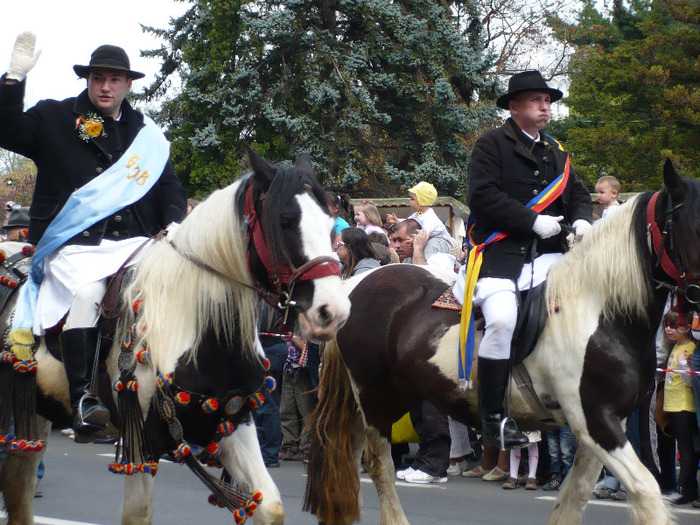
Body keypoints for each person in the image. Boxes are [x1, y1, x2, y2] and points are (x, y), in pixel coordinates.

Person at [0, 34, 187, 443]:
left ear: (128, 85)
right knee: (88, 294)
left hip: (132, 243)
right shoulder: (55, 117)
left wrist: (174, 222)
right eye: (98, 78)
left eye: (115, 79)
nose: (105, 86)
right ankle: (84, 398)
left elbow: (169, 187)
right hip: (71, 243)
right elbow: (7, 128)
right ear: (87, 80)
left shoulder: (146, 136)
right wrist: (13, 79)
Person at [454, 70, 593, 449]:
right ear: (514, 107)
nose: (545, 106)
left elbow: (577, 193)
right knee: (501, 320)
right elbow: (482, 197)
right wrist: (531, 220)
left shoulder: (557, 152)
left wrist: (582, 219)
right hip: (500, 255)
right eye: (536, 100)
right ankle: (494, 419)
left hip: (550, 258)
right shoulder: (490, 145)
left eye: (548, 101)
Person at [661, 310, 698, 505]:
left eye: (675, 325)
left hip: (684, 405)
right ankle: (688, 487)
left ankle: (685, 488)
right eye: (667, 324)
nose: (669, 329)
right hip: (673, 405)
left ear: (688, 327)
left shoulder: (690, 348)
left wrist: (684, 366)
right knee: (681, 447)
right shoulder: (674, 346)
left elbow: (691, 382)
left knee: (685, 449)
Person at [386, 181, 453, 254]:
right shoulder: (417, 215)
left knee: (429, 248)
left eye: (412, 199)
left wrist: (414, 240)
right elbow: (408, 222)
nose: (410, 201)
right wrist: (397, 220)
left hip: (441, 239)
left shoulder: (429, 216)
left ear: (422, 201)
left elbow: (425, 233)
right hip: (428, 238)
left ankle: (426, 264)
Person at [391, 219, 455, 272]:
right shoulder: (407, 260)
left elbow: (421, 278)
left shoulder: (439, 259)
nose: (396, 245)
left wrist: (418, 247)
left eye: (400, 240)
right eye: (395, 240)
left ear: (416, 237)